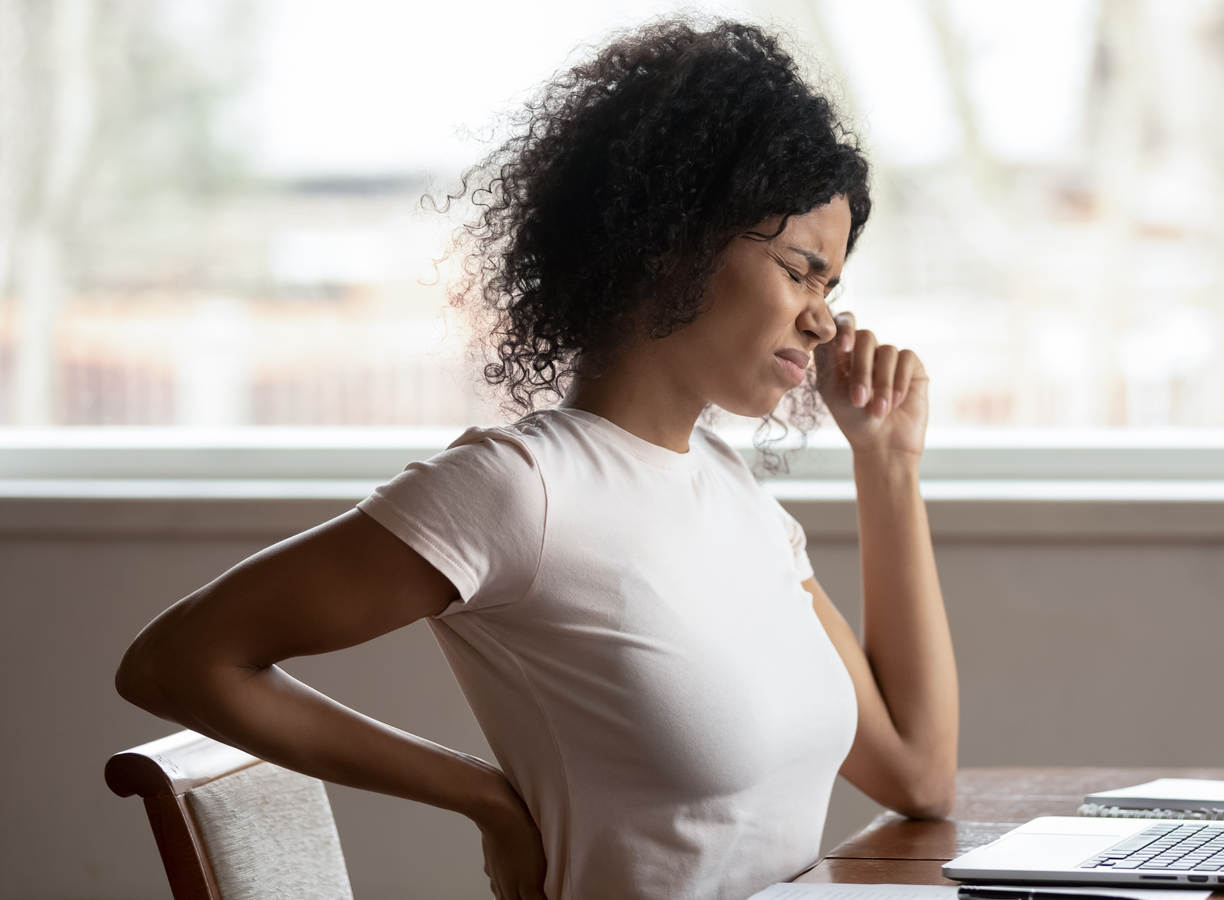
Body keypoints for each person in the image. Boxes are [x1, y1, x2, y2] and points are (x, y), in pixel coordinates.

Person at [115, 18, 957, 900]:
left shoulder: (732, 495)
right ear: (675, 239)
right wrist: (484, 798)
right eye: (799, 269)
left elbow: (917, 775)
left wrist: (888, 463)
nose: (823, 319)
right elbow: (176, 663)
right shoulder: (521, 491)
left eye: (832, 288)